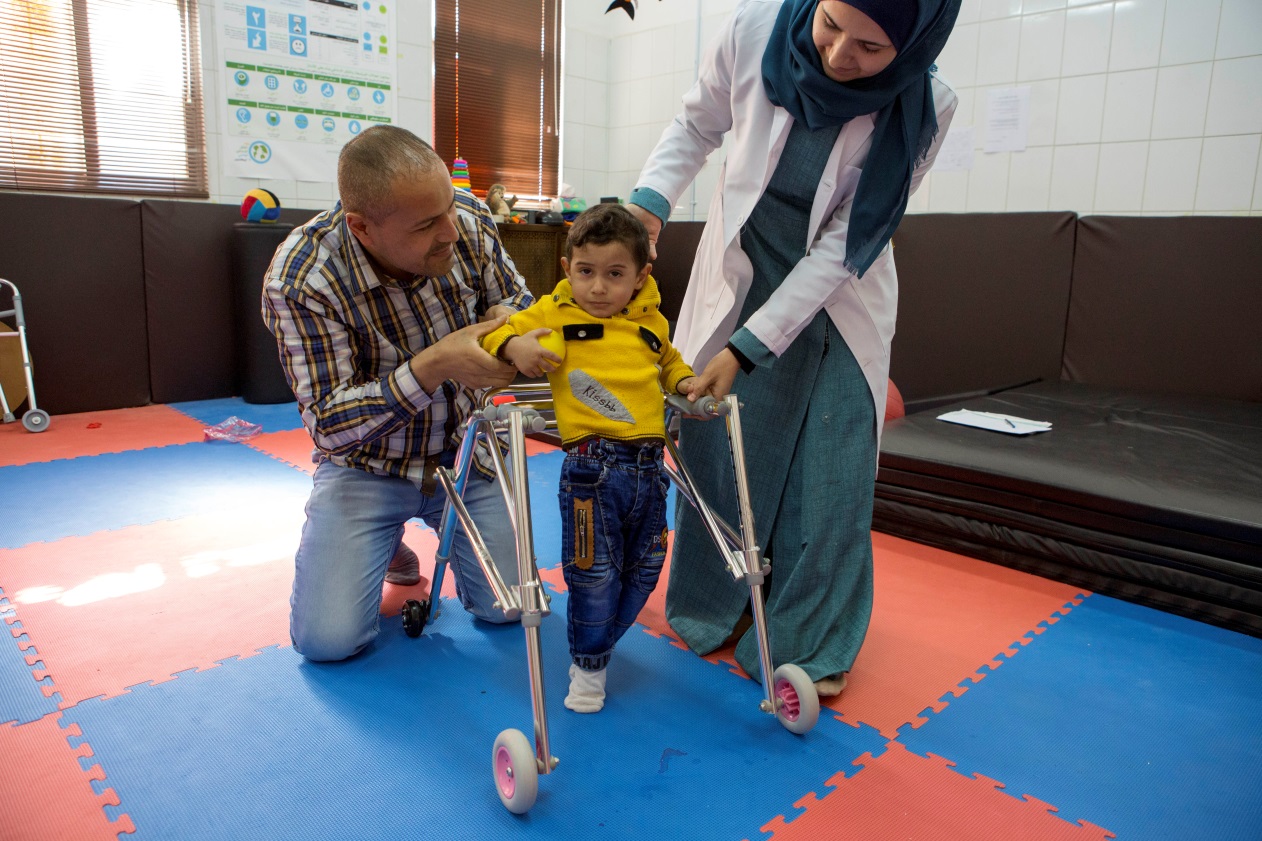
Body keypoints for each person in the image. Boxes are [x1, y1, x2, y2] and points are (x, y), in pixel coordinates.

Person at [626, 0, 961, 696]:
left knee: (830, 472)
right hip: (744, 269)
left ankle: (807, 642)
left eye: (871, 49)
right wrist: (647, 203)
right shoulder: (753, 30)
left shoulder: (926, 105)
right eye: (832, 25)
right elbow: (697, 123)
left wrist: (748, 349)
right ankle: (712, 607)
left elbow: (846, 243)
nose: (841, 55)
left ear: (914, 44)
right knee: (719, 450)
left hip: (841, 293)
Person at [262, 124, 533, 662]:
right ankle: (383, 540)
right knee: (327, 642)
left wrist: (512, 324)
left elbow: (517, 300)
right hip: (366, 467)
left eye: (449, 208)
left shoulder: (469, 220)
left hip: (465, 454)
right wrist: (432, 366)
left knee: (510, 607)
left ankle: (389, 537)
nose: (451, 232)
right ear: (362, 227)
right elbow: (330, 427)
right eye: (428, 224)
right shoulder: (301, 279)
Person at [481, 204, 699, 712]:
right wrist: (514, 348)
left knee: (646, 568)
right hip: (592, 470)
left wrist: (685, 381)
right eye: (586, 272)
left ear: (641, 275)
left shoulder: (652, 321)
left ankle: (597, 642)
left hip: (651, 469)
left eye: (615, 274)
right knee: (593, 573)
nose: (598, 287)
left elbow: (668, 362)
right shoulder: (557, 313)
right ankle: (589, 665)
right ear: (567, 269)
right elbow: (496, 333)